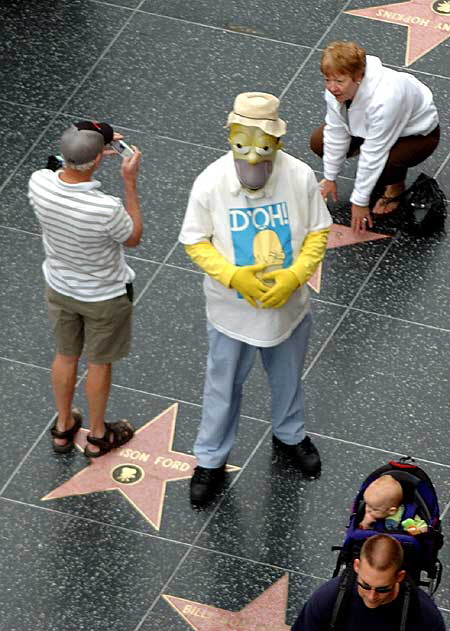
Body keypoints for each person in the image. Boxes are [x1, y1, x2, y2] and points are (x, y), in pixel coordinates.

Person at [179, 92, 332, 505]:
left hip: (290, 309)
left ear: (277, 143)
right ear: (231, 138)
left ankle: (290, 435)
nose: (251, 164)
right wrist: (231, 276)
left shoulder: (298, 176)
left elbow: (319, 230)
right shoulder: (210, 182)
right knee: (222, 385)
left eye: (260, 153)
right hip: (230, 314)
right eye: (242, 151)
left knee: (287, 377)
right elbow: (194, 240)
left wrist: (297, 274)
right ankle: (210, 459)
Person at [28, 121, 142, 457]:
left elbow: (54, 163)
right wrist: (130, 183)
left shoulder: (39, 184)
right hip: (105, 297)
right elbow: (133, 236)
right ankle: (98, 435)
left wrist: (92, 139)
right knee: (98, 363)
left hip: (60, 287)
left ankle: (63, 427)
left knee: (66, 356)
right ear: (97, 161)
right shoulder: (105, 208)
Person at [310, 41, 440, 234]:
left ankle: (395, 186)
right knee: (319, 141)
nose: (332, 87)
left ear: (358, 77)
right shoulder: (338, 91)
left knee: (384, 163)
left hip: (416, 136)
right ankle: (374, 173)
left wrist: (359, 202)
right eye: (327, 80)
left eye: (338, 81)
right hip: (367, 127)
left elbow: (374, 153)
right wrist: (330, 177)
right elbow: (336, 132)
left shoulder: (387, 98)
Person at [291, 534, 446, 630]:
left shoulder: (424, 614)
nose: (372, 596)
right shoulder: (328, 599)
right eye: (365, 585)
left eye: (382, 589)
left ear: (400, 576)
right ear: (357, 566)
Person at [360, 475, 428, 535]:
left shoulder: (408, 515)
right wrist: (365, 523)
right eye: (367, 505)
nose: (368, 510)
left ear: (391, 511)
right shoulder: (370, 516)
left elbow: (424, 528)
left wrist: (418, 531)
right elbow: (361, 533)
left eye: (375, 509)